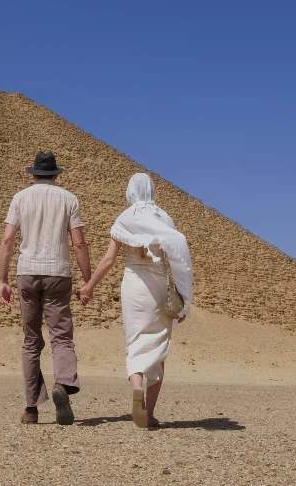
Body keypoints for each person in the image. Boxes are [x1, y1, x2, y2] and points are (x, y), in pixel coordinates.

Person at [79, 173, 193, 428]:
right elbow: (179, 261)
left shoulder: (125, 218)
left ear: (130, 191)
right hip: (159, 287)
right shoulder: (164, 218)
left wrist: (88, 287)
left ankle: (136, 386)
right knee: (158, 348)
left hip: (134, 286)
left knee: (134, 343)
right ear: (152, 190)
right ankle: (148, 414)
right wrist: (185, 300)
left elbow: (109, 260)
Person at [0, 151, 92, 425]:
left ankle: (31, 409)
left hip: (27, 272)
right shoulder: (68, 199)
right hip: (58, 274)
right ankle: (62, 384)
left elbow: (7, 240)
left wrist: (2, 280)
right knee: (61, 337)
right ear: (56, 174)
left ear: (33, 174)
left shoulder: (20, 198)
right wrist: (88, 280)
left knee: (30, 341)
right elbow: (78, 243)